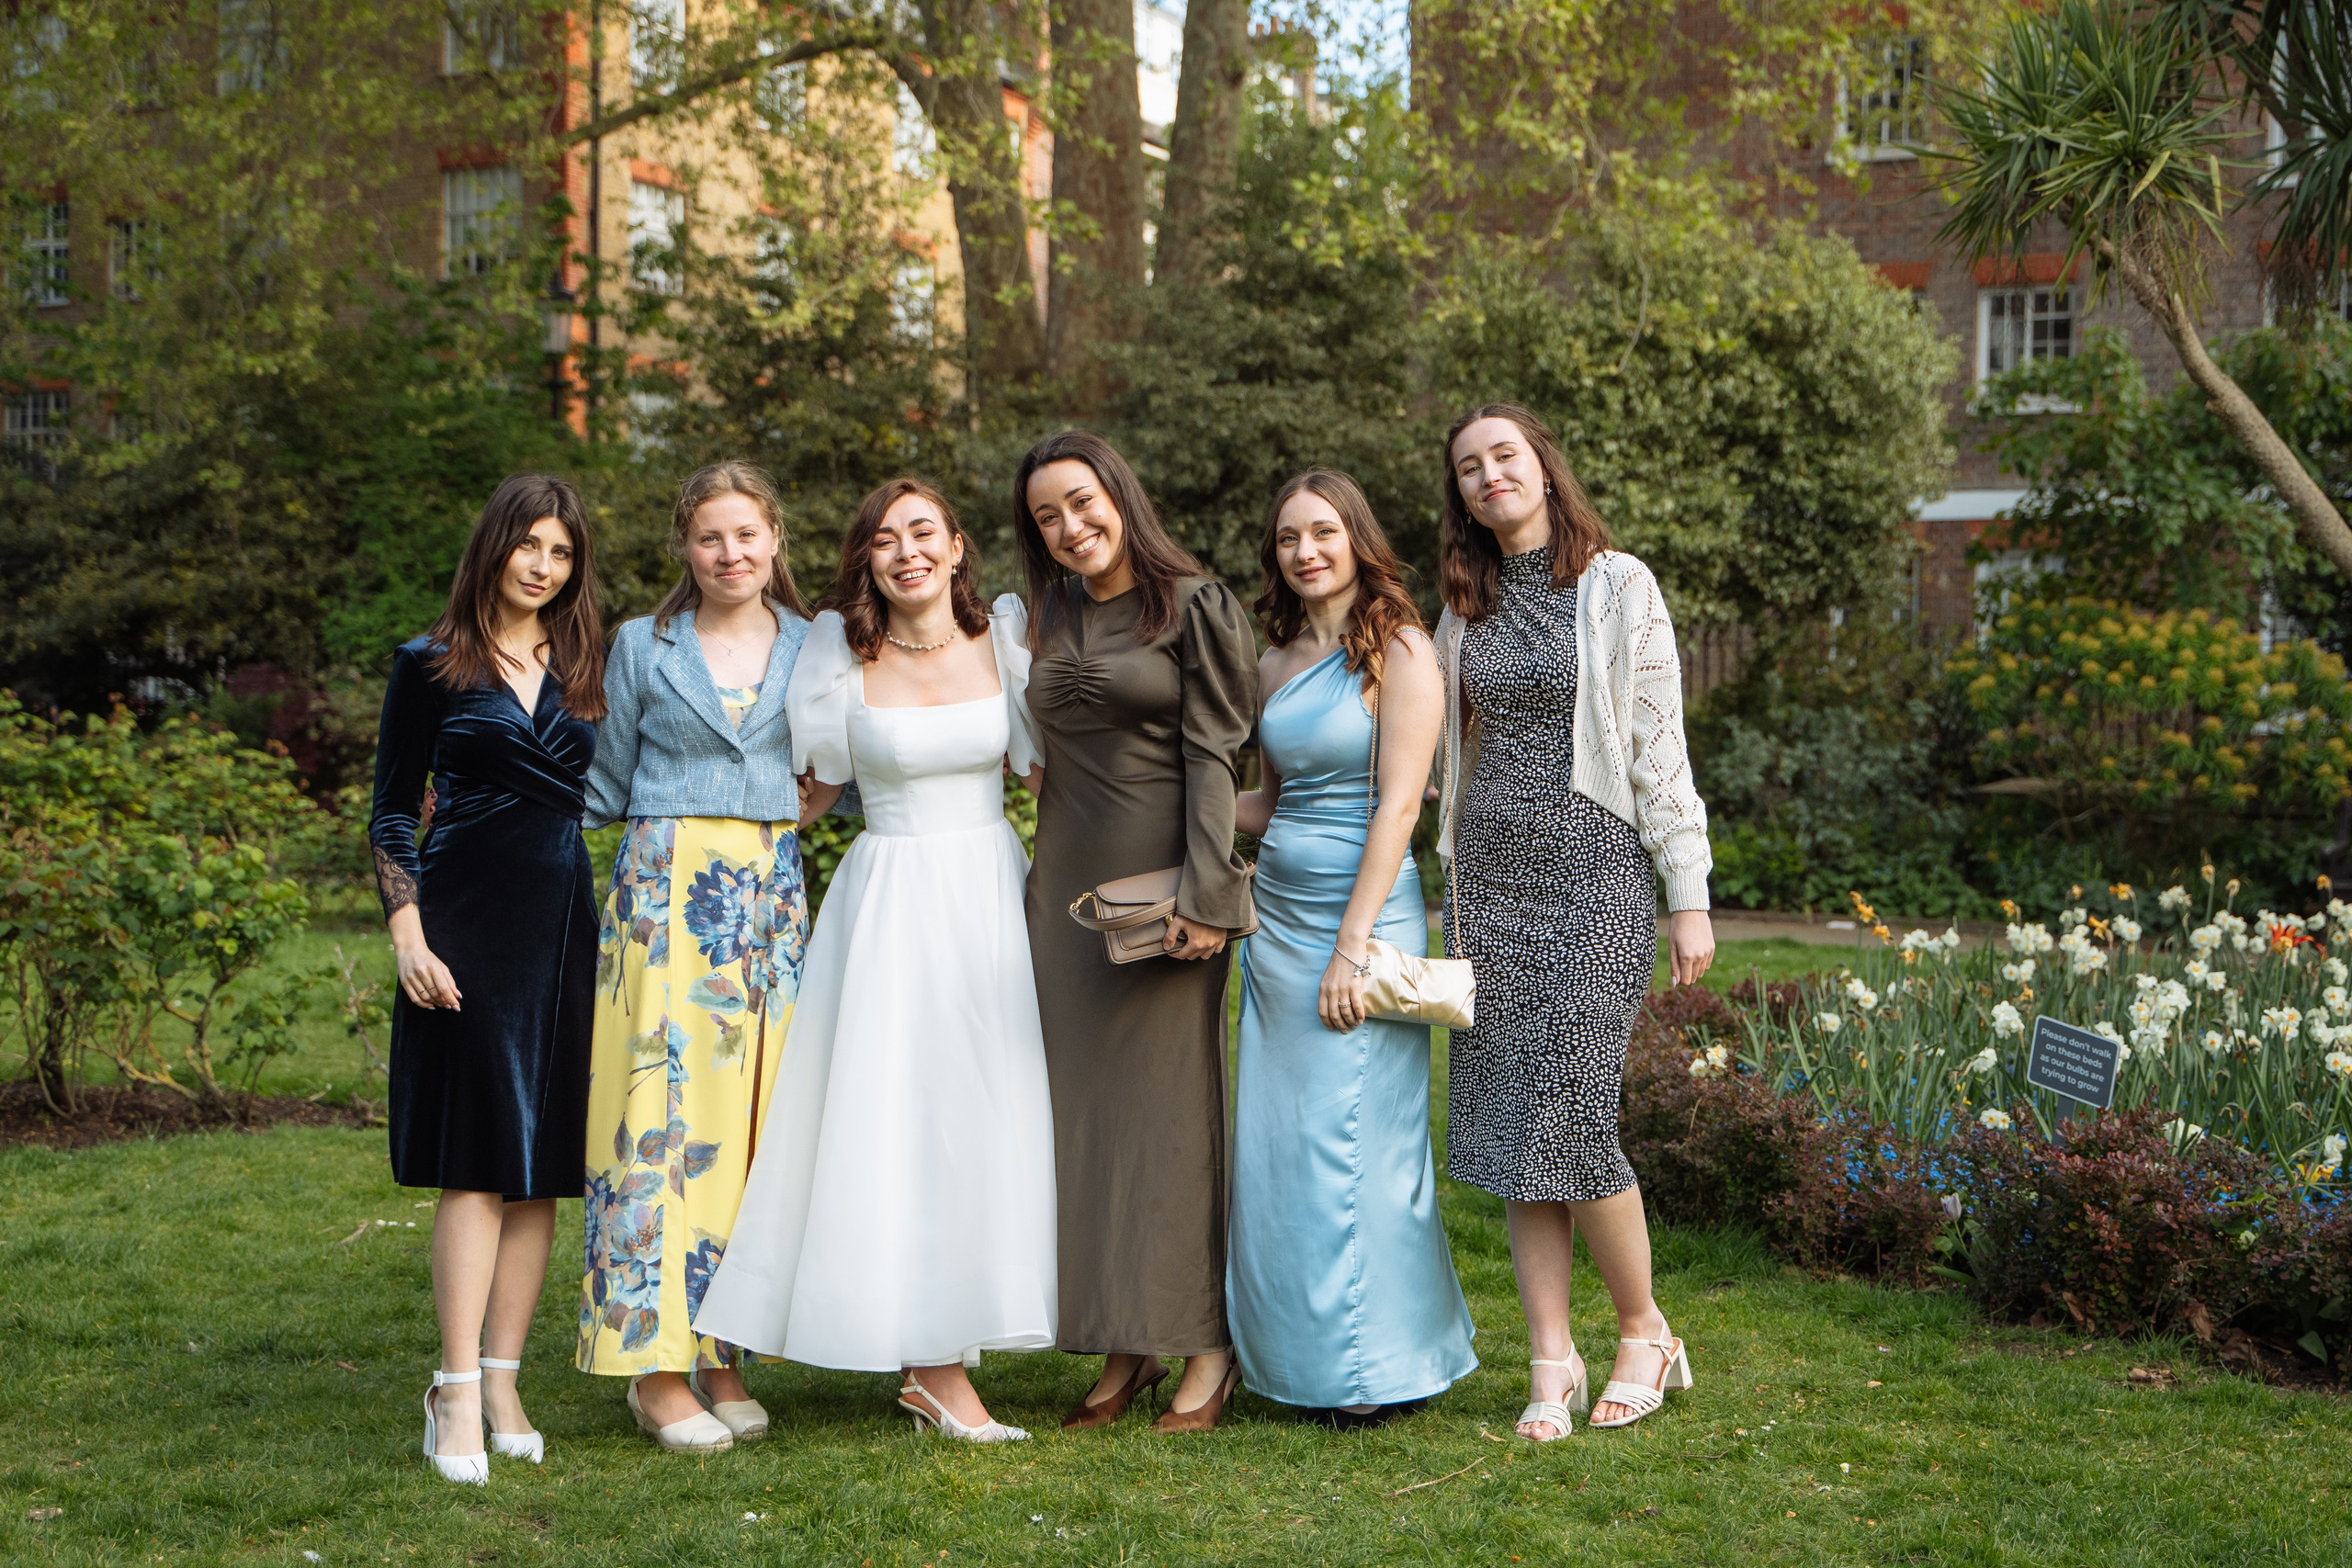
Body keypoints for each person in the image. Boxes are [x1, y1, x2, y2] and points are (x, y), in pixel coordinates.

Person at [695, 479, 1056, 1443]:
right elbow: (796, 794)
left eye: (923, 532)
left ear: (956, 546)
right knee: (893, 1119)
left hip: (988, 894)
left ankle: (946, 1344)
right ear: (867, 562)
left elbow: (1056, 775)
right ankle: (930, 1367)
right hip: (889, 905)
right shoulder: (835, 664)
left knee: (984, 1117)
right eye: (885, 539)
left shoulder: (1008, 646)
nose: (906, 552)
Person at [1433, 403, 1715, 1439]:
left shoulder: (1614, 584)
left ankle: (1644, 1328)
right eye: (1468, 467)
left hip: (1593, 872)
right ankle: (1550, 1360)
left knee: (1572, 1107)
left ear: (1542, 468)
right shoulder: (1460, 609)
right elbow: (1433, 754)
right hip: (1489, 887)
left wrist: (1685, 889)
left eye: (1503, 456)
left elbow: (1656, 744)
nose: (1488, 475)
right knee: (1513, 1122)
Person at [1013, 431, 1259, 1433]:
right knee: (1084, 1130)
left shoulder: (1194, 605)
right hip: (1061, 895)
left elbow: (1219, 759)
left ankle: (1206, 1344)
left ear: (1119, 494)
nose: (1069, 528)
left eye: (1081, 503)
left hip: (1163, 895)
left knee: (1168, 1121)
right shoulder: (1041, 614)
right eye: (1045, 517)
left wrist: (1207, 895)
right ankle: (1126, 1342)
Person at [576, 461, 823, 1453]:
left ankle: (722, 1350)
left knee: (751, 1124)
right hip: (662, 888)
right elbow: (599, 782)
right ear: (684, 545)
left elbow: (845, 758)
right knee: (653, 1118)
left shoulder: (819, 644)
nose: (730, 555)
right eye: (710, 538)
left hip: (764, 892)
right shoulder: (643, 644)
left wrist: (812, 803)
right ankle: (651, 1365)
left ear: (775, 541)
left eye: (747, 536)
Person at [1228, 468, 1479, 1427]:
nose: (1305, 552)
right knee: (1286, 1146)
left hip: (1360, 919)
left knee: (1362, 1144)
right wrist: (1178, 807)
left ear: (1355, 538)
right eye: (1288, 537)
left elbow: (1399, 804)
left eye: (1322, 533)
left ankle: (1377, 1368)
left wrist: (1351, 944)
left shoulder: (1402, 648)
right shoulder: (1275, 660)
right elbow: (1271, 802)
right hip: (1280, 923)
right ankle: (1294, 1356)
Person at [368, 474, 605, 1484]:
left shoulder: (588, 665)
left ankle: (506, 1377)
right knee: (476, 1159)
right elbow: (387, 815)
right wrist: (409, 937)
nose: (542, 567)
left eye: (560, 553)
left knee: (540, 1165)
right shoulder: (429, 666)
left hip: (561, 928)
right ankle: (454, 1388)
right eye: (529, 546)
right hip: (460, 925)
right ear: (495, 547)